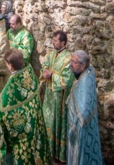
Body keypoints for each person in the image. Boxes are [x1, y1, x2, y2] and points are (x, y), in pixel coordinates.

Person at [0, 49, 51, 165]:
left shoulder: (9, 89)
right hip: (34, 128)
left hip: (20, 136)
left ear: (10, 65)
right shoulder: (30, 75)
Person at [40, 30, 74, 163]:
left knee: (56, 123)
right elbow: (45, 65)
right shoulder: (51, 53)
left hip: (59, 98)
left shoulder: (69, 58)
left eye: (55, 41)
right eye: (53, 40)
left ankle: (57, 153)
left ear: (63, 42)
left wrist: (52, 75)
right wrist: (44, 71)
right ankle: (47, 149)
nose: (53, 43)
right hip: (49, 95)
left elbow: (67, 79)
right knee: (47, 120)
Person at [67, 50, 102, 165]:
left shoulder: (86, 81)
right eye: (71, 60)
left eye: (74, 62)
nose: (71, 64)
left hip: (81, 129)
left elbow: (83, 113)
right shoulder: (84, 75)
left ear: (82, 66)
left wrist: (73, 129)